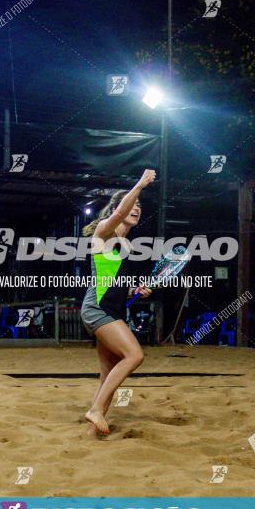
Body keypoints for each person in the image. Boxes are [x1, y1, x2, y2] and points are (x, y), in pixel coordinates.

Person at [80, 169, 155, 434]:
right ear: (117, 209)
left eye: (140, 206)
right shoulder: (104, 232)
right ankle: (95, 410)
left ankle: (93, 431)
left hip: (111, 308)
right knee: (134, 355)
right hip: (97, 309)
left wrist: (135, 290)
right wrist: (140, 184)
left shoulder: (124, 245)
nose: (136, 209)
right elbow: (120, 212)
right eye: (132, 205)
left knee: (108, 372)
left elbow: (115, 283)